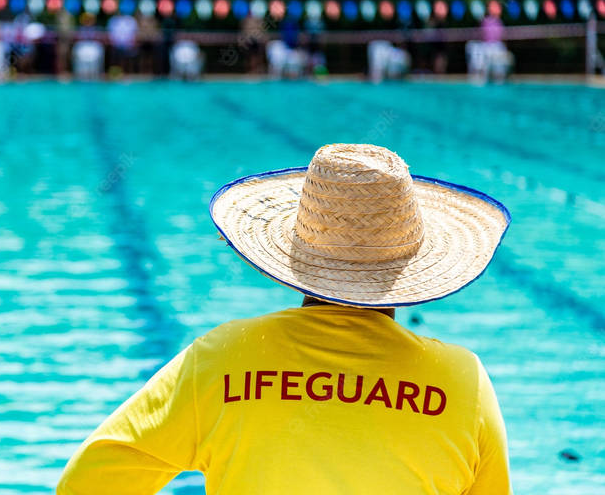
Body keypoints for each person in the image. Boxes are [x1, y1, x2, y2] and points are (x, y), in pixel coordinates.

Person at [58, 143, 512, 495]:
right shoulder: (462, 384)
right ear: (408, 269)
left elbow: (89, 479)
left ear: (296, 256)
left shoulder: (222, 359)